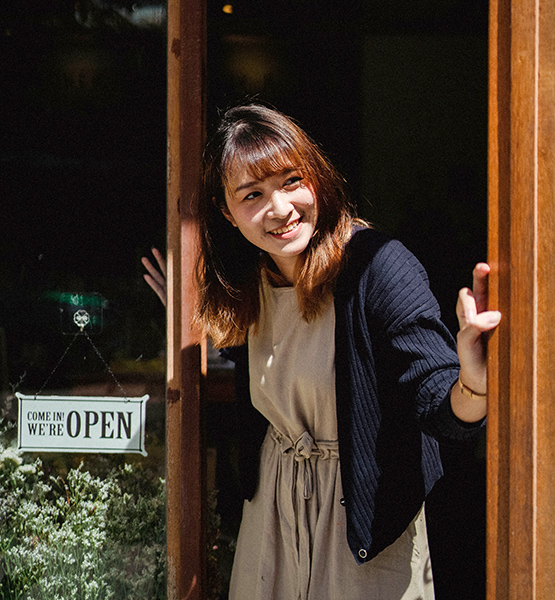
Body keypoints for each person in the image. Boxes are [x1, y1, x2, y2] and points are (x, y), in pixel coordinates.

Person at [142, 103, 501, 600]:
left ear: (317, 176)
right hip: (270, 517)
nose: (281, 208)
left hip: (362, 526)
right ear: (227, 212)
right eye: (253, 195)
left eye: (291, 181)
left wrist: (475, 380)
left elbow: (441, 408)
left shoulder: (379, 267)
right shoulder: (250, 286)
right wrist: (195, 323)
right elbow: (269, 370)